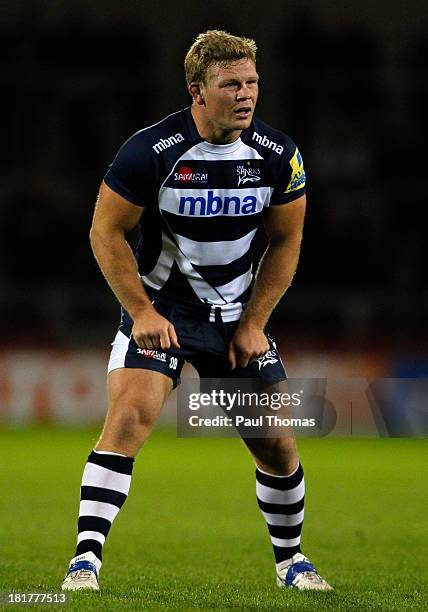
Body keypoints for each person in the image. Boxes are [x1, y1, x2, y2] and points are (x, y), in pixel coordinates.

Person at [61, 30, 331, 593]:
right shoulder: (151, 151)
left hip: (237, 318)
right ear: (197, 91)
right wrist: (139, 310)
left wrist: (254, 321)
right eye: (230, 83)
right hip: (163, 312)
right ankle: (85, 561)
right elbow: (105, 232)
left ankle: (292, 563)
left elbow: (287, 242)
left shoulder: (279, 154)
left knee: (278, 443)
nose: (245, 93)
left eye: (252, 82)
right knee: (131, 417)